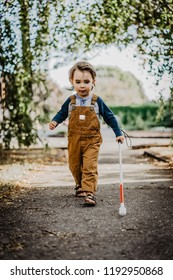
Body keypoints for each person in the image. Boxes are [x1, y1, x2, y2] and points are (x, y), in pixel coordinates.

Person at [49, 61, 124, 206]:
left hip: (92, 140)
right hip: (74, 139)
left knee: (89, 165)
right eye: (78, 82)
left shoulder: (96, 101)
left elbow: (110, 117)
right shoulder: (70, 101)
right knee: (74, 165)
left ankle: (89, 193)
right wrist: (55, 121)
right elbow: (62, 113)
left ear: (93, 82)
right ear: (72, 81)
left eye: (86, 82)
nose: (82, 85)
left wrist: (118, 133)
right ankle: (79, 185)